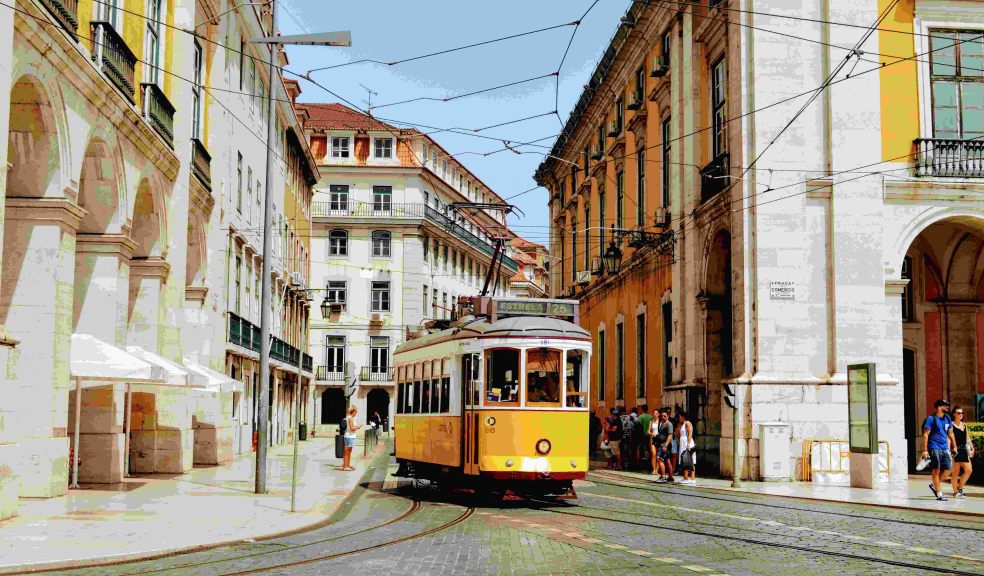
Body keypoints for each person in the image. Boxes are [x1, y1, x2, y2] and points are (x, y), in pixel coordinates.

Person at [922, 399, 957, 501]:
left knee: (949, 469)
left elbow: (950, 433)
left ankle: (934, 485)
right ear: (938, 407)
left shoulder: (947, 418)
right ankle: (939, 493)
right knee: (936, 470)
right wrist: (925, 450)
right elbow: (925, 434)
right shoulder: (931, 418)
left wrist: (954, 446)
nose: (947, 407)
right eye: (945, 406)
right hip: (934, 447)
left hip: (945, 447)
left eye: (947, 406)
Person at [948, 406, 974, 499]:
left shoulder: (964, 425)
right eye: (958, 413)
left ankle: (960, 488)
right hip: (955, 450)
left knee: (969, 470)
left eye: (962, 413)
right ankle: (955, 492)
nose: (960, 415)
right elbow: (949, 438)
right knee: (956, 472)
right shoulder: (950, 425)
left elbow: (967, 437)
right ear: (954, 414)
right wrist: (949, 451)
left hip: (964, 450)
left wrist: (972, 447)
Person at [653, 408, 675, 482]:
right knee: (667, 460)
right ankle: (671, 477)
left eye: (664, 416)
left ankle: (663, 477)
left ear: (668, 416)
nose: (663, 417)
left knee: (659, 459)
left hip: (664, 444)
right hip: (661, 443)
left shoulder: (669, 424)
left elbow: (670, 435)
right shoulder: (661, 423)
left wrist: (665, 445)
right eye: (662, 416)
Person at [676, 410, 696, 485]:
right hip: (683, 442)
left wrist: (688, 444)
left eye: (680, 416)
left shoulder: (687, 423)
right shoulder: (683, 424)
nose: (679, 418)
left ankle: (691, 478)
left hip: (687, 443)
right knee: (686, 461)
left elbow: (690, 433)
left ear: (683, 416)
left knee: (689, 461)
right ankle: (686, 477)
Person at [341, 406, 362, 472]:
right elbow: (352, 428)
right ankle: (345, 466)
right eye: (355, 412)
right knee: (347, 452)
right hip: (349, 436)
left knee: (348, 452)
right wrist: (358, 427)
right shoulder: (350, 418)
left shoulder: (350, 418)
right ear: (353, 412)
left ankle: (347, 465)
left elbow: (352, 427)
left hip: (350, 436)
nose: (356, 413)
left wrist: (356, 426)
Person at [636, 404, 653, 472]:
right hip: (649, 435)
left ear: (642, 409)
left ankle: (642, 461)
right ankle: (647, 459)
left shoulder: (640, 417)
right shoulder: (651, 417)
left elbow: (638, 426)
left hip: (642, 435)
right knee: (648, 448)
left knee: (641, 448)